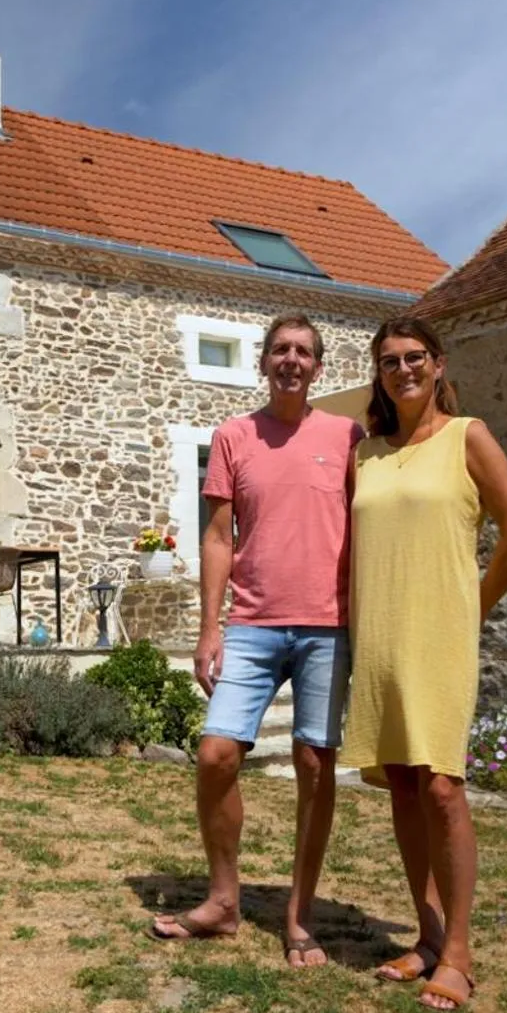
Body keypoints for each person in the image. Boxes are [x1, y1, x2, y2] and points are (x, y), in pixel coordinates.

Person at [149, 314, 366, 968]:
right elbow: (218, 537)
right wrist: (208, 627)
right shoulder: (232, 436)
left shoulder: (348, 437)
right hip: (251, 624)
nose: (290, 361)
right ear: (263, 363)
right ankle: (222, 900)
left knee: (314, 766)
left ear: (318, 368)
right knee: (215, 754)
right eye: (279, 350)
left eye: (302, 352)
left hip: (328, 626)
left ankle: (298, 916)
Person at [343, 315, 507, 1011]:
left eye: (415, 357)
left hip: (440, 637)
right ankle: (425, 936)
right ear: (379, 373)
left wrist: (472, 607)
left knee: (441, 789)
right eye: (390, 361)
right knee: (399, 783)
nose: (403, 369)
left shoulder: (468, 436)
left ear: (438, 364)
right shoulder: (364, 454)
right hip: (379, 637)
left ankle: (457, 952)